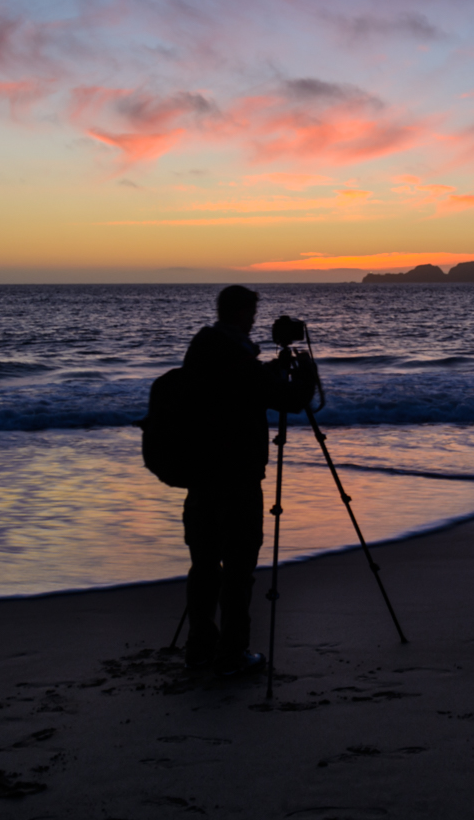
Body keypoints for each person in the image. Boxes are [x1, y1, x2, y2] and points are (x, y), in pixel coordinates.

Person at [178, 285, 303, 675]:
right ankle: (233, 653)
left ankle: (199, 647)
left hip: (201, 475)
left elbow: (235, 390)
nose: (254, 323)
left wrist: (267, 372)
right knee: (237, 567)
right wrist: (307, 375)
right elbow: (289, 402)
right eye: (251, 315)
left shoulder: (202, 351)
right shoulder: (238, 359)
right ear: (242, 314)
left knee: (203, 565)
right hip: (238, 477)